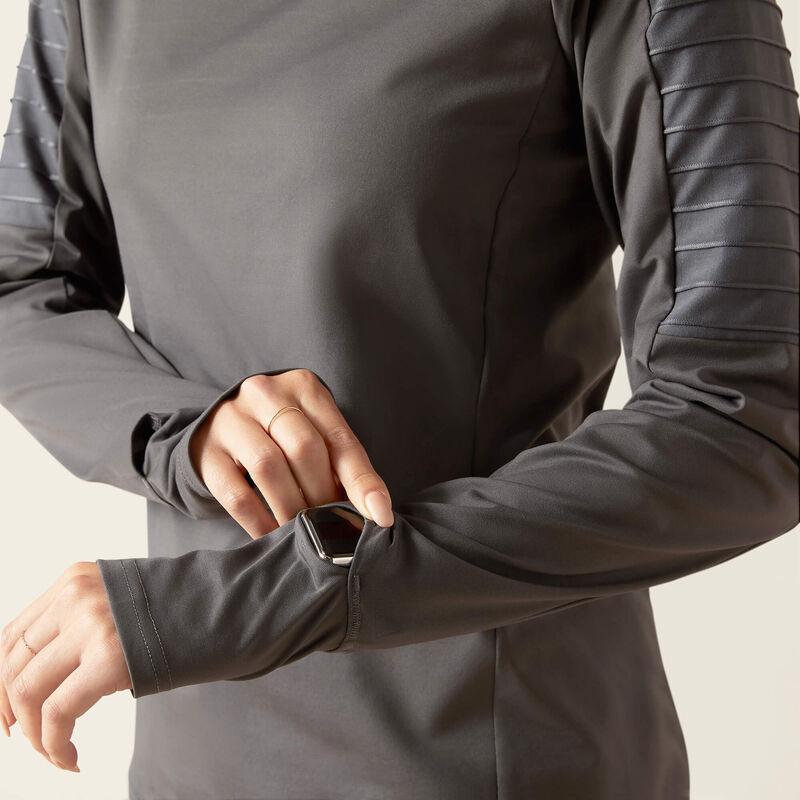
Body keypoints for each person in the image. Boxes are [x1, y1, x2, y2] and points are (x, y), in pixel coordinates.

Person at [0, 0, 797, 797]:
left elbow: (742, 414)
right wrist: (189, 434)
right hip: (193, 757)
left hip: (480, 758)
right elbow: (22, 286)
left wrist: (223, 606)